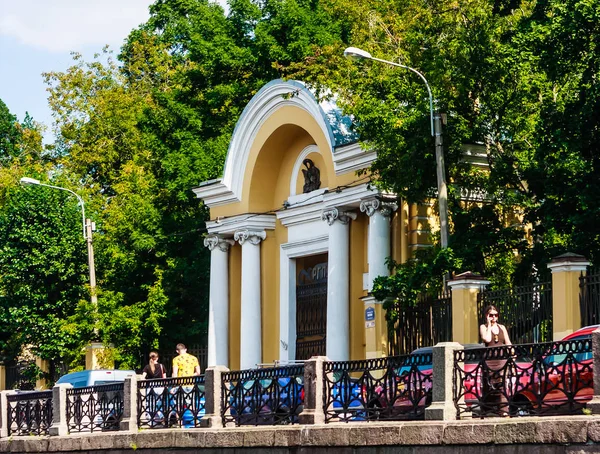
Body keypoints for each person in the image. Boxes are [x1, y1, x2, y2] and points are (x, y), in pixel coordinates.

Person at [479, 305, 512, 416]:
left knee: (502, 384)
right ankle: (488, 410)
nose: (493, 317)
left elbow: (508, 343)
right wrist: (488, 324)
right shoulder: (483, 327)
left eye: (495, 315)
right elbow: (487, 339)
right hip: (489, 361)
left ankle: (504, 411)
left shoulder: (502, 327)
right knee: (490, 384)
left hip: (502, 359)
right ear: (486, 316)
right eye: (491, 315)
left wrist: (512, 353)